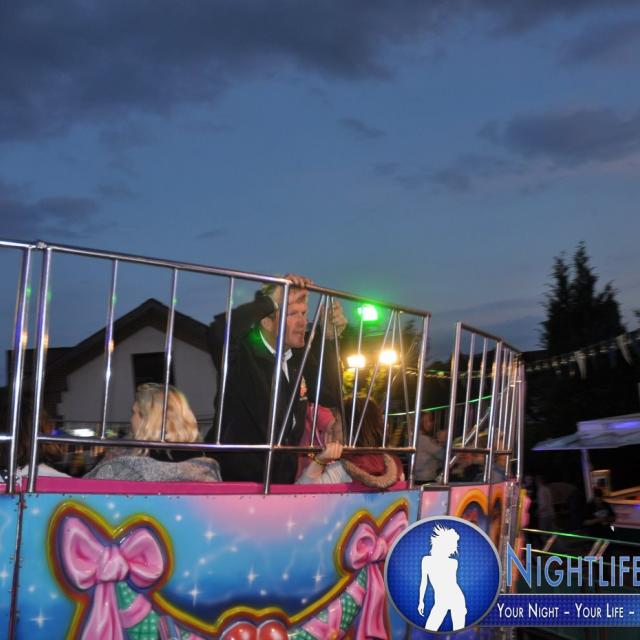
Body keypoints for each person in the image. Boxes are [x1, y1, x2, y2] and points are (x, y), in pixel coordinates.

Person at [207, 274, 345, 483]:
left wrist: (328, 338)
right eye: (292, 313)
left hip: (282, 479)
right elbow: (218, 331)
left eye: (304, 313)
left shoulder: (298, 358)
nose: (303, 322)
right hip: (238, 482)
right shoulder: (242, 356)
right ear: (266, 321)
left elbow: (328, 393)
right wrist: (272, 301)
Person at [85, 384, 220, 482]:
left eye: (135, 412)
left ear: (149, 419)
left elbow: (85, 494)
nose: (131, 419)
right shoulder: (205, 467)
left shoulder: (122, 465)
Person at [297, 396, 404, 489]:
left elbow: (300, 495)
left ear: (351, 428)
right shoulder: (395, 468)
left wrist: (320, 460)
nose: (332, 427)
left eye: (337, 420)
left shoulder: (341, 471)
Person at [418, 524, 467, 631]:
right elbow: (423, 583)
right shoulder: (426, 560)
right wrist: (421, 601)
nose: (453, 549)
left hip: (456, 599)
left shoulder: (453, 563)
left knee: (459, 632)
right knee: (429, 629)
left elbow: (452, 585)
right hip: (441, 601)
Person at [414, 411, 443, 483]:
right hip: (426, 479)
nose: (430, 424)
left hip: (416, 477)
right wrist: (443, 441)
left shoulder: (413, 438)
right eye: (427, 421)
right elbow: (443, 455)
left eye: (430, 420)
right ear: (420, 423)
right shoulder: (424, 440)